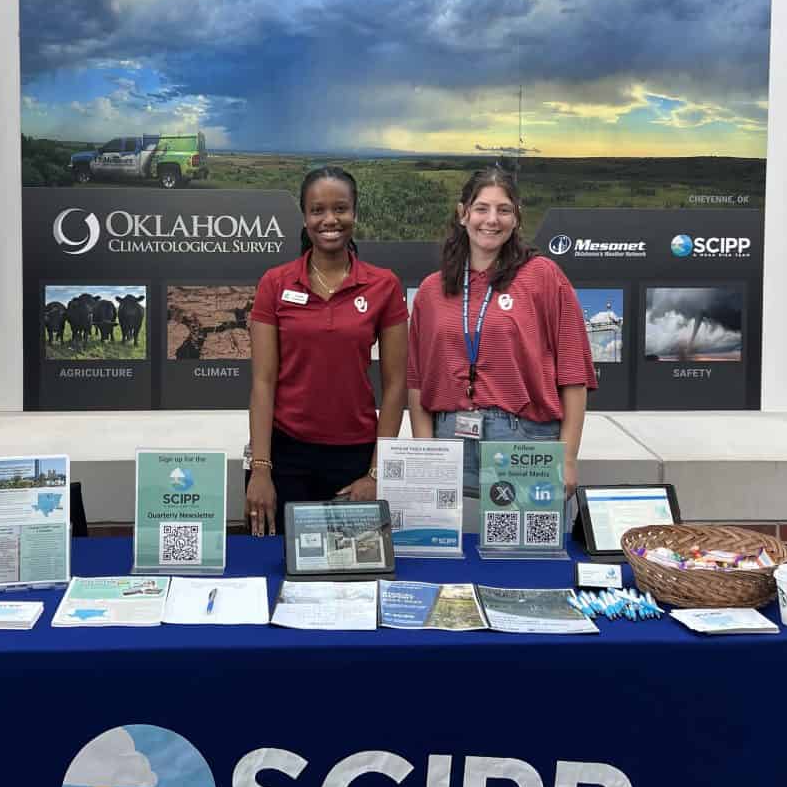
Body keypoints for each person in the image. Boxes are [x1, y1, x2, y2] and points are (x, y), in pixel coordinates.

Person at [407, 167, 596, 499]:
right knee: (443, 551)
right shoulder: (431, 290)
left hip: (524, 444)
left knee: (522, 551)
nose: (491, 219)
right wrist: (426, 454)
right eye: (481, 208)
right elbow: (417, 381)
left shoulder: (543, 276)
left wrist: (568, 458)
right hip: (450, 442)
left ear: (516, 218)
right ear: (463, 214)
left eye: (504, 210)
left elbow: (573, 374)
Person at [246, 167, 409, 536]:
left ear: (355, 213)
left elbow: (397, 385)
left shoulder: (384, 284)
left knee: (353, 573)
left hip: (355, 457)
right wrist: (261, 468)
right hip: (286, 454)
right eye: (317, 210)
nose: (330, 220)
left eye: (341, 209)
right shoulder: (275, 283)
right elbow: (262, 382)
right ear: (305, 218)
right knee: (282, 566)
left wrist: (375, 471)